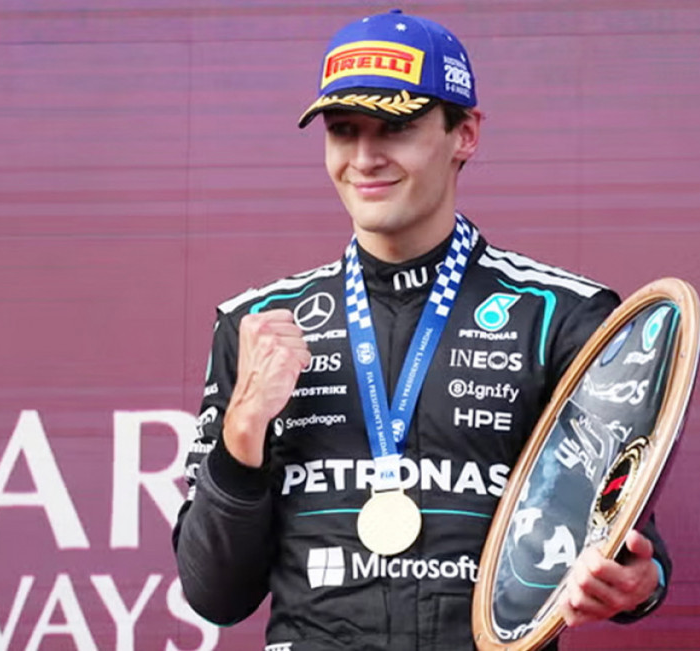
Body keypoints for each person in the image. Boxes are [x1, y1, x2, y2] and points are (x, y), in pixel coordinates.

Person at [173, 9, 671, 650]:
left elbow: (625, 533)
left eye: (396, 128)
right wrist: (243, 430)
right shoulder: (260, 327)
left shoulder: (560, 316)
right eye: (343, 130)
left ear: (465, 133)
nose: (364, 158)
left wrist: (640, 582)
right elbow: (214, 594)